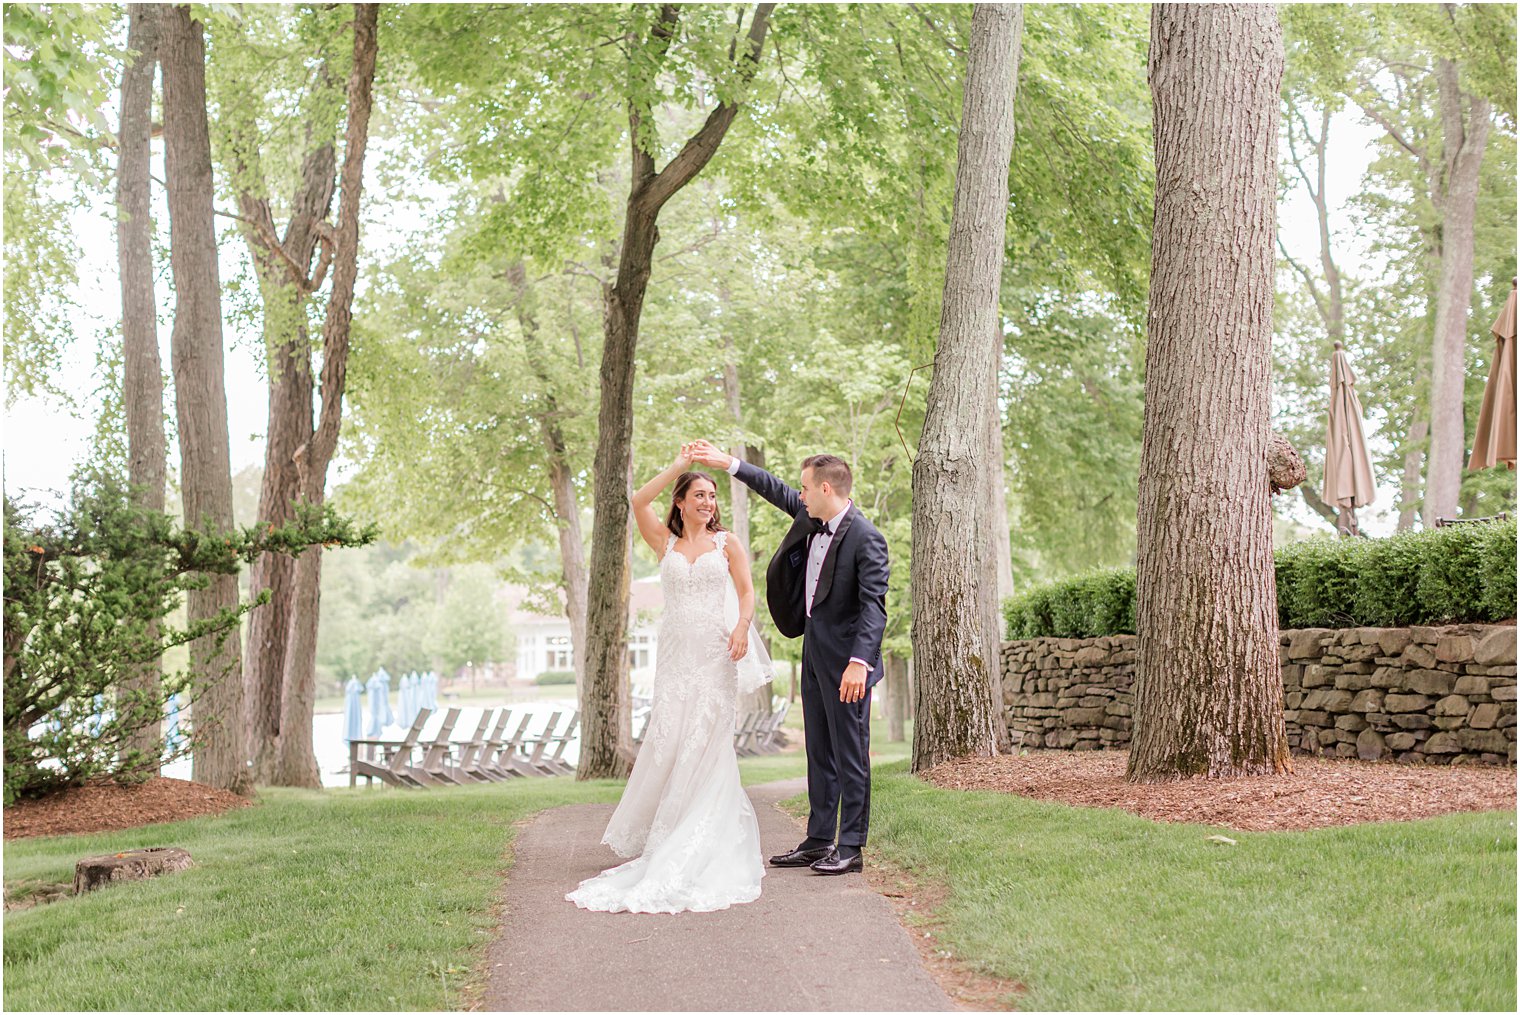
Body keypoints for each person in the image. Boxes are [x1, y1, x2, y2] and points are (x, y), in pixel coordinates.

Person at [565, 447, 771, 914]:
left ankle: (706, 835)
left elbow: (745, 591)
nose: (708, 502)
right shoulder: (665, 543)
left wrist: (741, 626)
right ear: (681, 501)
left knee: (709, 740)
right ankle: (671, 831)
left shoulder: (728, 544)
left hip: (716, 654)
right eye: (699, 494)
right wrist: (679, 466)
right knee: (673, 739)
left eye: (713, 495)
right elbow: (637, 501)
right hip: (677, 657)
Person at [685, 439, 889, 875]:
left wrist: (860, 663)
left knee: (850, 752)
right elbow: (773, 488)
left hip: (849, 664)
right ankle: (818, 840)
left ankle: (850, 847)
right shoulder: (810, 517)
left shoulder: (867, 538)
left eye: (805, 488)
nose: (798, 494)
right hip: (813, 652)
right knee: (818, 751)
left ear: (827, 491)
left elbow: (874, 606)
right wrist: (731, 464)